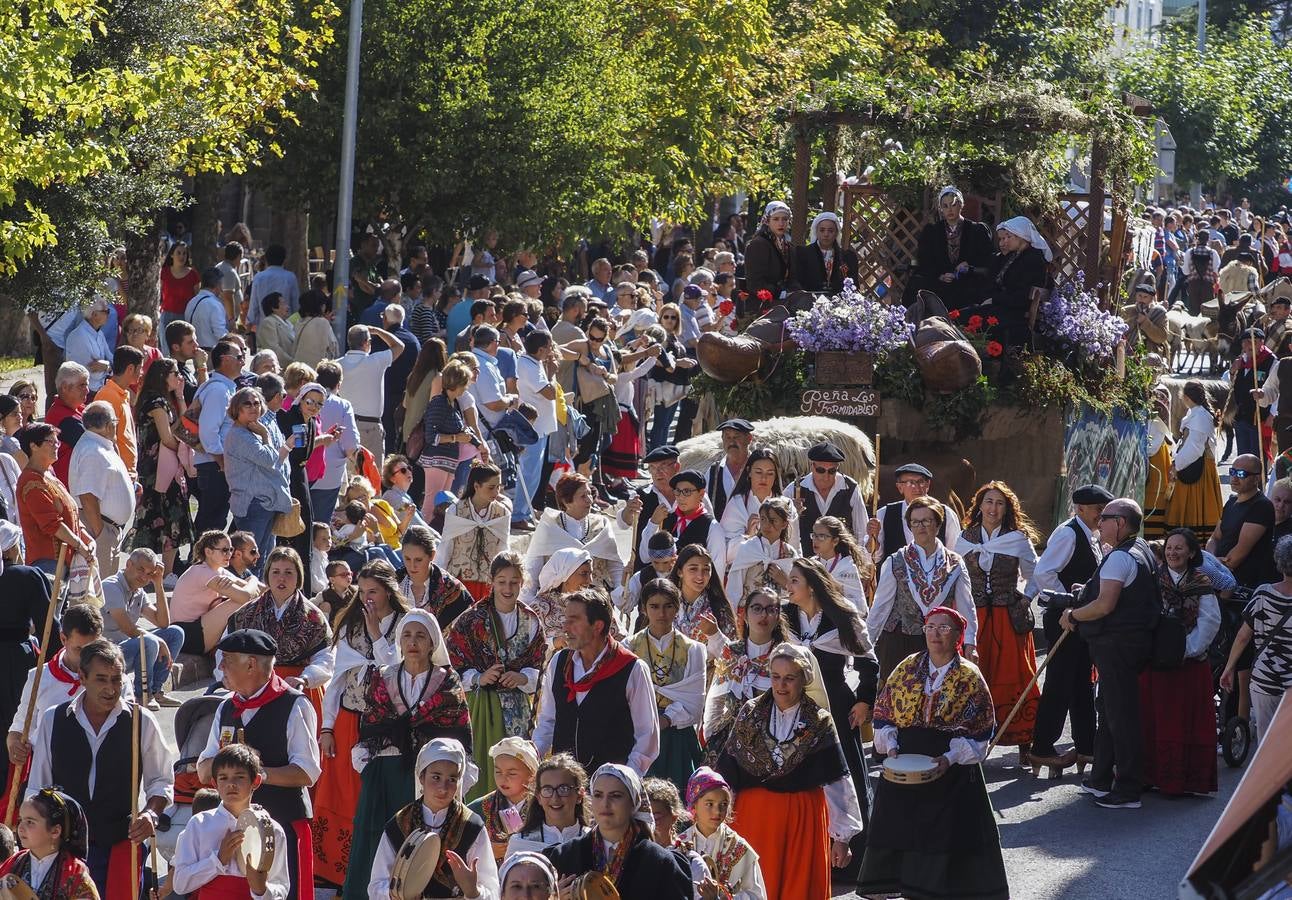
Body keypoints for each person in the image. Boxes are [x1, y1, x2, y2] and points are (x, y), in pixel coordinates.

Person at [857, 607, 1008, 900]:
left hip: (950, 771)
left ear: (957, 637)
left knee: (943, 836)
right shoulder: (907, 668)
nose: (935, 633)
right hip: (905, 764)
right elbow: (885, 713)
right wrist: (891, 748)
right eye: (930, 627)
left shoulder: (969, 677)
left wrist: (949, 759)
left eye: (944, 628)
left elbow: (980, 730)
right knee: (901, 828)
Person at [28, 639, 175, 898]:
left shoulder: (141, 721)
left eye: (116, 680)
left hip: (119, 843)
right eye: (101, 679)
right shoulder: (53, 718)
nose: (110, 689)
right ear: (82, 678)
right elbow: (38, 788)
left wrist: (151, 814)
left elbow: (162, 780)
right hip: (65, 847)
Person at [716, 643, 862, 900]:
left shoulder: (819, 721)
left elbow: (835, 778)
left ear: (804, 680)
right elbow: (729, 769)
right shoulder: (750, 713)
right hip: (754, 820)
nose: (781, 685)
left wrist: (842, 836)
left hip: (801, 822)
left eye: (789, 678)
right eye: (775, 677)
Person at [344, 610, 472, 898]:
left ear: (432, 643)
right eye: (407, 635)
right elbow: (371, 726)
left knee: (423, 847)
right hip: (384, 776)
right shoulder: (383, 677)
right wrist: (368, 767)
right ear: (399, 642)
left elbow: (460, 733)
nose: (413, 642)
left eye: (420, 636)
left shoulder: (448, 683)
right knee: (376, 843)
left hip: (430, 779)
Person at [197, 629, 321, 900]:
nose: (220, 667)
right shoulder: (226, 707)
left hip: (283, 824)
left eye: (227, 660)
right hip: (235, 830)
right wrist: (219, 766)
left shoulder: (294, 705)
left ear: (251, 664)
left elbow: (307, 771)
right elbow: (204, 766)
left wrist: (257, 775)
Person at [1059, 498, 1160, 810]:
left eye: (1105, 518)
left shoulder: (1120, 557)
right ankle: (1100, 779)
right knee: (1109, 709)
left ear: (1120, 523)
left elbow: (1105, 605)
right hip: (1129, 644)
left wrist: (1074, 615)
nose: (1099, 522)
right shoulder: (1140, 548)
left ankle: (1128, 789)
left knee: (1122, 716)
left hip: (1118, 645)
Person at [313, 559, 406, 891]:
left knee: (368, 797)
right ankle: (335, 873)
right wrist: (326, 727)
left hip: (384, 728)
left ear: (388, 592)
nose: (368, 599)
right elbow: (337, 680)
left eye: (374, 592)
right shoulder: (351, 625)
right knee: (339, 795)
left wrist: (378, 636)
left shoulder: (403, 625)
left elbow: (398, 671)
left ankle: (371, 872)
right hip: (347, 722)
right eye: (363, 592)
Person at [782, 557, 877, 870]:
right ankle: (807, 858)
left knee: (841, 776)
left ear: (812, 585)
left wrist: (863, 702)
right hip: (794, 709)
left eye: (794, 580)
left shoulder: (842, 617)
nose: (788, 585)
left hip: (835, 707)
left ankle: (853, 858)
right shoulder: (785, 617)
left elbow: (868, 663)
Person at [954, 481, 1041, 766]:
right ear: (979, 506)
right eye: (989, 502)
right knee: (978, 675)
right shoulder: (965, 538)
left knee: (1016, 675)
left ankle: (1023, 740)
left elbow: (1035, 574)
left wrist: (1025, 599)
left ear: (1007, 509)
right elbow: (954, 574)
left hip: (1007, 618)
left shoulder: (1016, 538)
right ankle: (974, 739)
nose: (993, 508)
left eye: (999, 503)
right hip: (974, 618)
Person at [445, 553, 546, 798]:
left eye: (514, 582)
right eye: (502, 581)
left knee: (515, 773)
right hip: (479, 710)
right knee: (482, 769)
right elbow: (452, 665)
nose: (508, 588)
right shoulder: (470, 620)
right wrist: (478, 677)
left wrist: (523, 678)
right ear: (491, 581)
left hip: (518, 712)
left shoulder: (531, 621)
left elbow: (542, 666)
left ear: (522, 583)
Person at [1027, 484, 1110, 777]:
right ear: (1080, 509)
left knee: (1081, 683)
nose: (1102, 516)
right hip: (1063, 616)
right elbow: (1044, 572)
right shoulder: (1068, 534)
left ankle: (1086, 743)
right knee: (1060, 682)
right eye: (1099, 510)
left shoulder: (1094, 536)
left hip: (1080, 617)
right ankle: (1042, 746)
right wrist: (1070, 601)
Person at [533, 589, 660, 775]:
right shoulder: (559, 663)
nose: (565, 628)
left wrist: (625, 779)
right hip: (565, 789)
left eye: (574, 620)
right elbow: (547, 722)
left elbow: (647, 737)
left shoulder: (631, 668)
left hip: (610, 790)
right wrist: (531, 756)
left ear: (597, 626)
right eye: (565, 619)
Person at [367, 737, 500, 900]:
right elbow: (376, 886)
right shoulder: (399, 825)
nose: (443, 788)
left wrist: (473, 892)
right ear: (421, 777)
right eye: (436, 777)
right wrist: (398, 895)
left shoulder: (472, 826)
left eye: (452, 779)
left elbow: (492, 890)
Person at [1140, 528, 1221, 795]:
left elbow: (1209, 621)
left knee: (1185, 720)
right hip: (1156, 662)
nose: (1173, 552)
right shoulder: (1153, 579)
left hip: (1189, 664)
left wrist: (1185, 649)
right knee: (1153, 718)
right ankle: (1149, 775)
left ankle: (1183, 780)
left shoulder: (1201, 582)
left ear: (1192, 552)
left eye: (1179, 548)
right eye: (1169, 547)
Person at [543, 763, 692, 900]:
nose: (605, 804)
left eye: (616, 796)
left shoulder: (659, 861)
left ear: (634, 802)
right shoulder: (564, 855)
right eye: (598, 795)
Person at [3, 603, 96, 816]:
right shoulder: (39, 678)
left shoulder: (109, 678)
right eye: (79, 649)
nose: (86, 658)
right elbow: (17, 729)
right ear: (63, 639)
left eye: (92, 649)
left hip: (94, 773)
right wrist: (14, 744)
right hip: (47, 773)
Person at [869, 496, 977, 679]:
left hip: (940, 643)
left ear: (937, 524)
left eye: (926, 521)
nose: (921, 527)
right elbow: (880, 606)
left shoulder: (955, 563)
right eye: (915, 522)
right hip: (899, 643)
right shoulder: (896, 561)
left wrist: (970, 643)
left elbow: (967, 605)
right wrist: (867, 645)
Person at [222, 547, 335, 721]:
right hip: (253, 689)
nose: (281, 578)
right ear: (267, 575)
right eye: (275, 572)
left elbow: (326, 658)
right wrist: (227, 676)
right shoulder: (246, 614)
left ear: (299, 577)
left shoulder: (314, 617)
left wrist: (305, 679)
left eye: (288, 572)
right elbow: (224, 651)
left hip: (298, 690)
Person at [171, 743, 291, 899]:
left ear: (255, 781)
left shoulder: (272, 830)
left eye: (239, 777)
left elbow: (282, 886)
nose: (231, 784)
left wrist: (261, 890)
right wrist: (218, 859)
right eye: (223, 777)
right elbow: (180, 884)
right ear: (214, 784)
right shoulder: (199, 824)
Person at [629, 579, 707, 792]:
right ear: (644, 609)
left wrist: (665, 719)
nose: (661, 613)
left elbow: (694, 703)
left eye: (668, 606)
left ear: (677, 607)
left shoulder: (694, 650)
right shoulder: (628, 647)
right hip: (639, 732)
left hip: (677, 737)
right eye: (654, 606)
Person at [1221, 534, 1292, 746]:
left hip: (1264, 678)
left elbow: (1243, 636)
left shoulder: (1263, 594)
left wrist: (1229, 667)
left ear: (1279, 563)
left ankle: (1268, 779)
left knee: (1267, 742)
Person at [128, 358, 193, 579]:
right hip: (158, 469)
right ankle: (165, 572)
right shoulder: (157, 403)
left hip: (157, 468)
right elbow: (167, 438)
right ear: (163, 376)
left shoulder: (162, 400)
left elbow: (183, 424)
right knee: (169, 517)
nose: (179, 377)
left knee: (160, 517)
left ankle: (158, 570)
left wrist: (181, 396)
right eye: (175, 373)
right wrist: (184, 452)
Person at [99, 548, 183, 709]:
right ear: (129, 564)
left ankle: (156, 691)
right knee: (150, 641)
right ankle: (142, 695)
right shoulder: (111, 586)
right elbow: (128, 629)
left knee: (175, 633)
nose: (144, 577)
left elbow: (163, 623)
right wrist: (158, 641)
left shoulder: (139, 591)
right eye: (141, 570)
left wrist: (158, 583)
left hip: (128, 649)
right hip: (108, 653)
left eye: (150, 573)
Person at [276, 381, 338, 595]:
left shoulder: (310, 422)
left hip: (300, 476)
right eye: (309, 401)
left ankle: (302, 590)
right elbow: (294, 452)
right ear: (300, 398)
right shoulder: (288, 418)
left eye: (318, 404)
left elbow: (305, 452)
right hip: (288, 477)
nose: (313, 406)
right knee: (290, 531)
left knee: (304, 530)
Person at [222, 386, 293, 571]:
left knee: (263, 561)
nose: (253, 407)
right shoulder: (240, 435)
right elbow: (269, 459)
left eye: (257, 403)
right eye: (247, 404)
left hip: (265, 503)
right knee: (249, 562)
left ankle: (261, 598)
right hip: (253, 504)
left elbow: (275, 460)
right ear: (237, 409)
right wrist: (265, 434)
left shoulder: (250, 432)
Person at [527, 473, 625, 605]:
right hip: (558, 605)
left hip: (596, 602)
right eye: (583, 496)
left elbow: (614, 563)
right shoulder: (550, 526)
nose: (590, 500)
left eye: (590, 494)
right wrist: (528, 601)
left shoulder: (602, 525)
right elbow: (533, 569)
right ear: (567, 501)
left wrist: (619, 588)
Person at [676, 767, 767, 900]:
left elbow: (757, 896)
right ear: (694, 805)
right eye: (709, 804)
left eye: (723, 804)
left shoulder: (739, 848)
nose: (717, 811)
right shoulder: (679, 844)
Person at [15, 423, 94, 573]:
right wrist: (80, 545)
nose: (56, 446)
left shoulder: (49, 475)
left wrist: (88, 540)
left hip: (65, 561)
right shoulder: (31, 481)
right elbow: (52, 525)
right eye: (50, 442)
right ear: (33, 446)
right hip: (48, 564)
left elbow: (71, 513)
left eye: (57, 442)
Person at [67, 402, 135, 578]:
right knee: (99, 594)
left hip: (106, 528)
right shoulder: (93, 451)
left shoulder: (99, 444)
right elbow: (87, 496)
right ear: (109, 425)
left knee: (106, 590)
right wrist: (100, 534)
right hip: (98, 528)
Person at [168, 530, 262, 654]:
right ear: (208, 552)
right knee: (238, 602)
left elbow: (259, 590)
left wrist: (253, 582)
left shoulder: (218, 570)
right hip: (186, 635)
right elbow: (245, 597)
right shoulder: (202, 572)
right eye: (224, 550)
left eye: (231, 549)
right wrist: (253, 579)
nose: (229, 554)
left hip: (198, 630)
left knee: (252, 600)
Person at [903, 185, 995, 310]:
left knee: (978, 289)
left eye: (953, 205)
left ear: (961, 205)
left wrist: (968, 266)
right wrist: (939, 275)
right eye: (945, 206)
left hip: (967, 280)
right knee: (917, 284)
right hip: (940, 281)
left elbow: (987, 258)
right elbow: (925, 260)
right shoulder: (932, 232)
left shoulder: (977, 230)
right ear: (941, 209)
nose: (949, 210)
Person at [1, 788, 98, 900]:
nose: (21, 827)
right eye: (20, 820)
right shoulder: (13, 863)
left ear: (55, 831)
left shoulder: (75, 874)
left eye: (30, 822)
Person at [420, 360, 486, 514]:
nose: (467, 387)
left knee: (443, 504)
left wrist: (477, 443)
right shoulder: (439, 403)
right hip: (436, 460)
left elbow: (463, 430)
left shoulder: (453, 403)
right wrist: (456, 438)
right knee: (431, 504)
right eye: (465, 383)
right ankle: (421, 536)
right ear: (458, 383)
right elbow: (431, 436)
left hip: (449, 461)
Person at [192, 341, 243, 536]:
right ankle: (200, 564)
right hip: (214, 466)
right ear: (224, 360)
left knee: (214, 522)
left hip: (215, 464)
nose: (242, 361)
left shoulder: (223, 388)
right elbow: (208, 432)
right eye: (238, 357)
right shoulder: (218, 390)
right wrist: (221, 459)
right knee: (211, 525)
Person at [441, 463, 512, 600]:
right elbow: (446, 547)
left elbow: (504, 549)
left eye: (498, 487)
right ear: (476, 486)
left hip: (489, 582)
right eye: (491, 487)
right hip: (459, 582)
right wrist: (439, 579)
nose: (496, 492)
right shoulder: (456, 511)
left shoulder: (502, 513)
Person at [783, 442, 870, 553]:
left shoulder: (850, 488)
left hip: (841, 563)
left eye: (831, 471)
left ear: (837, 468)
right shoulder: (794, 490)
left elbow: (861, 531)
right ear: (812, 467)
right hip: (806, 563)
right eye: (821, 470)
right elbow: (782, 530)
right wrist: (792, 514)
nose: (826, 476)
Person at [1208, 453, 1277, 593]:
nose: (1234, 478)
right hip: (1220, 575)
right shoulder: (1231, 502)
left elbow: (1236, 557)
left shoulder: (1261, 506)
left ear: (1256, 478)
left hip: (1242, 584)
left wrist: (1212, 565)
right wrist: (1211, 559)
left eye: (1241, 474)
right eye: (1232, 472)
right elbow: (1215, 537)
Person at [868, 461, 961, 563]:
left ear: (928, 485)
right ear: (900, 487)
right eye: (910, 482)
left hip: (937, 577)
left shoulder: (946, 514)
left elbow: (956, 556)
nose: (917, 487)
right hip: (896, 577)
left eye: (921, 482)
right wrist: (873, 538)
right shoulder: (883, 514)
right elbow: (874, 558)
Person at [640, 470, 726, 577]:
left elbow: (717, 571)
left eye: (687, 491)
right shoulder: (667, 519)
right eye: (677, 491)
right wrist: (653, 523)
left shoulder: (712, 527)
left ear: (701, 494)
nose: (681, 497)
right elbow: (645, 557)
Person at [339, 323, 406, 459]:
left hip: (345, 425)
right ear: (367, 343)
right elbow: (399, 346)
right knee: (372, 477)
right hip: (370, 426)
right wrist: (378, 331)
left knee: (348, 475)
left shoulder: (337, 364)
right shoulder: (376, 361)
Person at [468, 736, 539, 862]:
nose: (503, 778)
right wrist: (486, 851)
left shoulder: (543, 808)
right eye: (498, 772)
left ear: (532, 775)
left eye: (512, 773)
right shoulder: (476, 809)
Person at [506, 753, 591, 856]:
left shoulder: (593, 841)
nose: (555, 798)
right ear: (538, 797)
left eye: (563, 789)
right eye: (547, 790)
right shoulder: (520, 843)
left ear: (579, 795)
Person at [312, 361, 361, 526]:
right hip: (329, 475)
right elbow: (351, 445)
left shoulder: (304, 400)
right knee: (320, 525)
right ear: (338, 384)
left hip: (302, 471)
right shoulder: (343, 405)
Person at [725, 498, 797, 606]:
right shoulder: (748, 548)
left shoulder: (790, 553)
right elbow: (734, 590)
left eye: (773, 520)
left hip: (781, 614)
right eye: (763, 519)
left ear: (784, 524)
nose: (767, 525)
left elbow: (799, 592)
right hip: (750, 615)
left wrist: (785, 582)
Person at [621, 446, 682, 571]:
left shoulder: (689, 492)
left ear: (676, 467)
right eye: (652, 468)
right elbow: (624, 523)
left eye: (663, 466)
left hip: (683, 570)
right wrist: (628, 510)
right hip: (648, 572)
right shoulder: (640, 495)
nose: (657, 472)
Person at [398, 526, 473, 626]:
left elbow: (463, 631)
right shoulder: (394, 584)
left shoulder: (452, 589)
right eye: (407, 559)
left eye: (418, 560)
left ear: (432, 555)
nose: (412, 566)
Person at [669, 544, 738, 651]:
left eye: (706, 569)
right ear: (680, 572)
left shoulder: (719, 608)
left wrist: (715, 634)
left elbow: (733, 655)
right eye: (693, 569)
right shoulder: (666, 603)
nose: (700, 576)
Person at [719, 446, 792, 546]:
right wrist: (748, 535)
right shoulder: (737, 504)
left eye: (770, 473)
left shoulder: (787, 504)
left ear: (775, 476)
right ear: (749, 472)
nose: (764, 478)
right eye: (758, 472)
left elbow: (794, 548)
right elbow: (726, 552)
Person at [806, 515, 871, 613]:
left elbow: (860, 608)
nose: (815, 540)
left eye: (822, 536)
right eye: (814, 535)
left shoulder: (847, 566)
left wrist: (834, 587)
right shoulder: (810, 564)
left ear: (835, 541)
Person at [94, 345, 141, 482]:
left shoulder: (122, 394)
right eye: (140, 368)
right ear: (130, 369)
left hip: (127, 474)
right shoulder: (108, 396)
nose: (142, 372)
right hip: (117, 475)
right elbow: (106, 439)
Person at [794, 211, 861, 296]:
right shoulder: (803, 253)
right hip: (810, 302)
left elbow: (854, 286)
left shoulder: (847, 257)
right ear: (816, 231)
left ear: (836, 233)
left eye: (830, 231)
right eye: (822, 230)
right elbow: (797, 283)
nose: (826, 234)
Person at [44, 362, 88, 488]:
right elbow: (94, 442)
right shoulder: (62, 417)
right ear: (65, 387)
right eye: (82, 385)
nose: (87, 390)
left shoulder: (77, 408)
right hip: (73, 489)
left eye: (87, 384)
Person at [706, 419, 754, 522]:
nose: (732, 442)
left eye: (736, 437)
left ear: (749, 439)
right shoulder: (713, 472)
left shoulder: (759, 469)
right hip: (720, 535)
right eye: (727, 437)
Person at [743, 202, 793, 300]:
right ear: (767, 221)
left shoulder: (788, 245)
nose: (781, 223)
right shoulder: (758, 244)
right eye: (776, 219)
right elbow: (755, 282)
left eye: (785, 219)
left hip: (786, 300)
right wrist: (780, 293)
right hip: (763, 302)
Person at [63, 298, 113, 395]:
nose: (108, 314)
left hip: (99, 390)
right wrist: (108, 368)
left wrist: (107, 367)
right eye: (106, 311)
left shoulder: (99, 333)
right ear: (94, 315)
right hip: (84, 393)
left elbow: (111, 359)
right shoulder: (79, 336)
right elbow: (94, 373)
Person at [185, 268, 232, 351]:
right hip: (212, 353)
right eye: (221, 284)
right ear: (217, 284)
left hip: (195, 352)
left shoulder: (191, 302)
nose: (221, 289)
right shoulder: (215, 305)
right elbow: (220, 334)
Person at [292, 290, 339, 369]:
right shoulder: (322, 322)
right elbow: (334, 348)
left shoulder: (299, 322)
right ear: (320, 305)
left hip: (299, 368)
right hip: (317, 370)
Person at [160, 241, 200, 330]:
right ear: (171, 255)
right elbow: (159, 295)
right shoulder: (164, 272)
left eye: (184, 253)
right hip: (166, 315)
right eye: (178, 253)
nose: (182, 256)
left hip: (185, 316)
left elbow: (197, 298)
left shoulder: (193, 274)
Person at [256, 293, 296, 368]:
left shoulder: (287, 323)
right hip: (279, 368)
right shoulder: (268, 322)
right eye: (283, 303)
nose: (288, 306)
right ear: (274, 308)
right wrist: (293, 362)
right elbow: (273, 348)